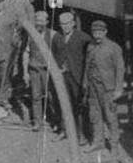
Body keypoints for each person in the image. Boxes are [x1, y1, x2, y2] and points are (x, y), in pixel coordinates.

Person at [83, 19, 125, 153]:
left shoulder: (114, 47)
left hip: (107, 88)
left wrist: (118, 89)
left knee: (110, 116)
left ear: (105, 32)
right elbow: (87, 65)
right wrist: (85, 83)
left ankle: (114, 145)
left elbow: (120, 69)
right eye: (95, 32)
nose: (97, 34)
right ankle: (98, 142)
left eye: (100, 32)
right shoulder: (90, 46)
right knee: (95, 115)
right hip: (93, 87)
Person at [51, 9, 88, 137]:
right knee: (63, 103)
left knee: (78, 106)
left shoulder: (83, 37)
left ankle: (81, 134)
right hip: (63, 76)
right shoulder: (57, 37)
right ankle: (63, 130)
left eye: (67, 23)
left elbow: (89, 56)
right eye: (62, 24)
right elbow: (53, 55)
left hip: (76, 76)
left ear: (73, 23)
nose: (65, 26)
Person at [26, 9, 52, 132]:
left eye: (42, 20)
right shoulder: (31, 34)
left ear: (47, 22)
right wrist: (26, 71)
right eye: (37, 20)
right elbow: (26, 53)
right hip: (34, 69)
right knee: (35, 96)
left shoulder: (52, 35)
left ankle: (54, 121)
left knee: (50, 96)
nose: (39, 23)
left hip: (47, 70)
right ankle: (37, 122)